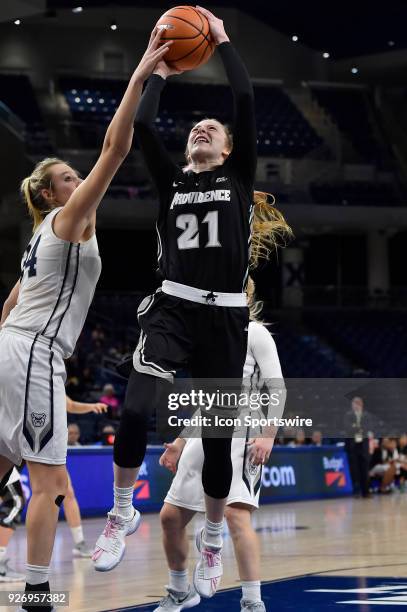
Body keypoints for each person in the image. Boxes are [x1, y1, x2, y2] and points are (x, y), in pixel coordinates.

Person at [0, 31, 171, 612]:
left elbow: (8, 305)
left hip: (13, 348)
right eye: (69, 180)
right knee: (49, 483)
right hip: (33, 354)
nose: (80, 185)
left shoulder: (38, 239)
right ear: (52, 197)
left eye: (78, 178)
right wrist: (142, 74)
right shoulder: (66, 222)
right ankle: (38, 595)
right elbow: (115, 150)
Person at [93, 8, 258, 597]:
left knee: (217, 445)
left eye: (212, 130)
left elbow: (243, 98)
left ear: (231, 147)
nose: (202, 131)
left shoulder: (239, 176)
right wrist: (158, 67)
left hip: (225, 318)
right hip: (170, 306)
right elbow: (144, 125)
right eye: (198, 130)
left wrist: (220, 39)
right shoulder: (173, 180)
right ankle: (119, 511)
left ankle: (212, 537)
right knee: (135, 410)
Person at [155, 276, 286, 612]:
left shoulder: (255, 333)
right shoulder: (209, 337)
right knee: (169, 517)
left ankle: (252, 602)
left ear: (243, 295)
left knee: (235, 514)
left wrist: (268, 434)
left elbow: (278, 388)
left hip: (246, 429)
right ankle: (179, 590)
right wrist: (182, 441)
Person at [344, 397, 374, 498]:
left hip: (363, 445)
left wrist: (357, 427)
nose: (356, 405)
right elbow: (348, 428)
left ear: (362, 404)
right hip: (353, 446)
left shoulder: (367, 415)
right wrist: (359, 428)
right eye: (354, 403)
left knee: (364, 468)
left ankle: (366, 491)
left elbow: (368, 428)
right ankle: (356, 491)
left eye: (358, 403)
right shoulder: (348, 415)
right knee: (354, 469)